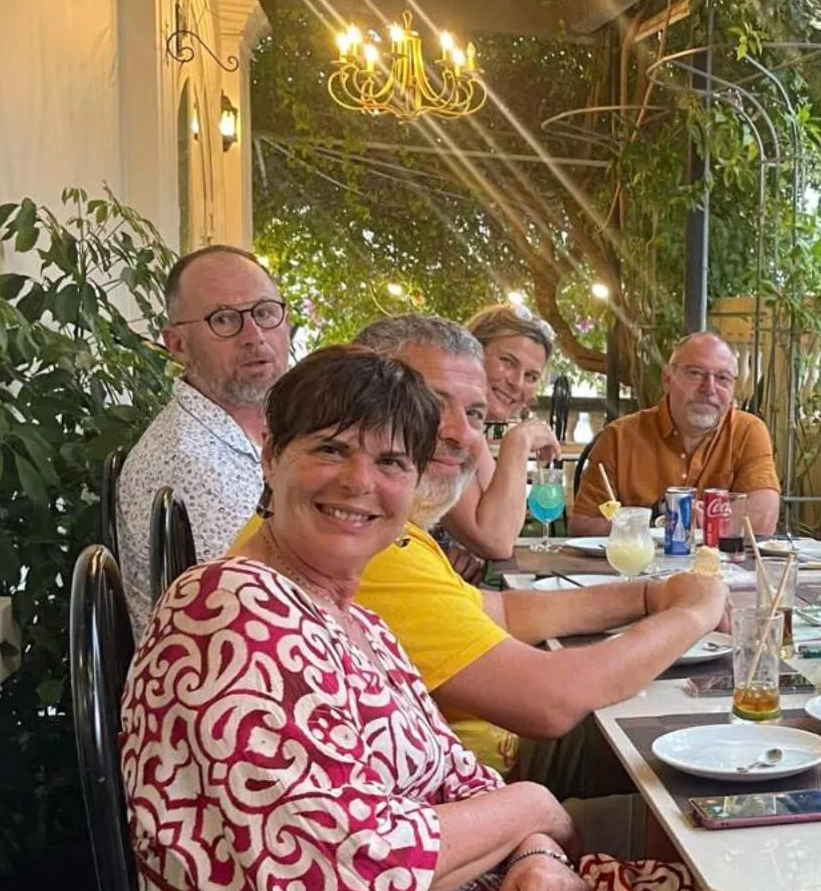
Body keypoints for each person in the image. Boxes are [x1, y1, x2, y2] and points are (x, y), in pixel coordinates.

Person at [125, 344, 821, 891]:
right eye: (329, 449)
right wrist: (536, 808)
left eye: (389, 462)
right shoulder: (229, 609)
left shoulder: (345, 613)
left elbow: (457, 779)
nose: (359, 483)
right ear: (271, 456)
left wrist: (531, 852)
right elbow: (346, 871)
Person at [235, 315, 725, 796]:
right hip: (479, 780)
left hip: (459, 780)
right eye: (430, 405)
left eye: (474, 414)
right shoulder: (352, 540)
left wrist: (648, 596)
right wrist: (693, 613)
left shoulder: (387, 534)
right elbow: (549, 701)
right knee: (694, 737)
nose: (461, 434)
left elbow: (503, 609)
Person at [117, 244, 291, 634]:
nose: (254, 335)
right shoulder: (191, 464)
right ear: (177, 344)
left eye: (264, 313)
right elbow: (259, 614)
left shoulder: (274, 431)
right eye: (224, 320)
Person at [568, 333, 781, 536]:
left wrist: (707, 519)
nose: (709, 388)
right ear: (668, 379)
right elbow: (583, 526)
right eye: (695, 373)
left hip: (724, 572)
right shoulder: (619, 437)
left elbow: (763, 522)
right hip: (638, 570)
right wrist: (655, 519)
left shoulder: (748, 431)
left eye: (723, 378)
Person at [435, 304, 563, 568]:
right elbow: (497, 540)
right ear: (472, 353)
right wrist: (518, 442)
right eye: (507, 362)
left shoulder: (472, 431)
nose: (516, 382)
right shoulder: (439, 423)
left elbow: (501, 524)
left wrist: (465, 548)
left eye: (531, 376)